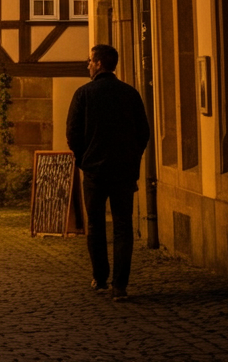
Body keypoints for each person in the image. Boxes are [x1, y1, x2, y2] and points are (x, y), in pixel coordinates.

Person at [67, 44, 150, 301]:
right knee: (123, 227)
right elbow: (143, 132)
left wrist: (84, 160)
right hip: (124, 171)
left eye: (90, 61)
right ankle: (120, 285)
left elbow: (72, 134)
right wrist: (132, 159)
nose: (88, 65)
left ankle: (100, 277)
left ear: (100, 63)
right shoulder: (130, 94)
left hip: (94, 172)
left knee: (95, 224)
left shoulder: (83, 94)